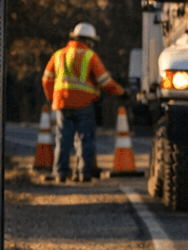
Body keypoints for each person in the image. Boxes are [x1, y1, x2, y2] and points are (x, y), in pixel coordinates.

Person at [41, 22, 126, 183]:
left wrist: (53, 98)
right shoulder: (90, 56)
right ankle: (83, 174)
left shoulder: (58, 54)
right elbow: (105, 81)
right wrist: (121, 93)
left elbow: (46, 79)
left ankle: (60, 174)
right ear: (89, 40)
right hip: (84, 104)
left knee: (62, 140)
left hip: (62, 104)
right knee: (85, 140)